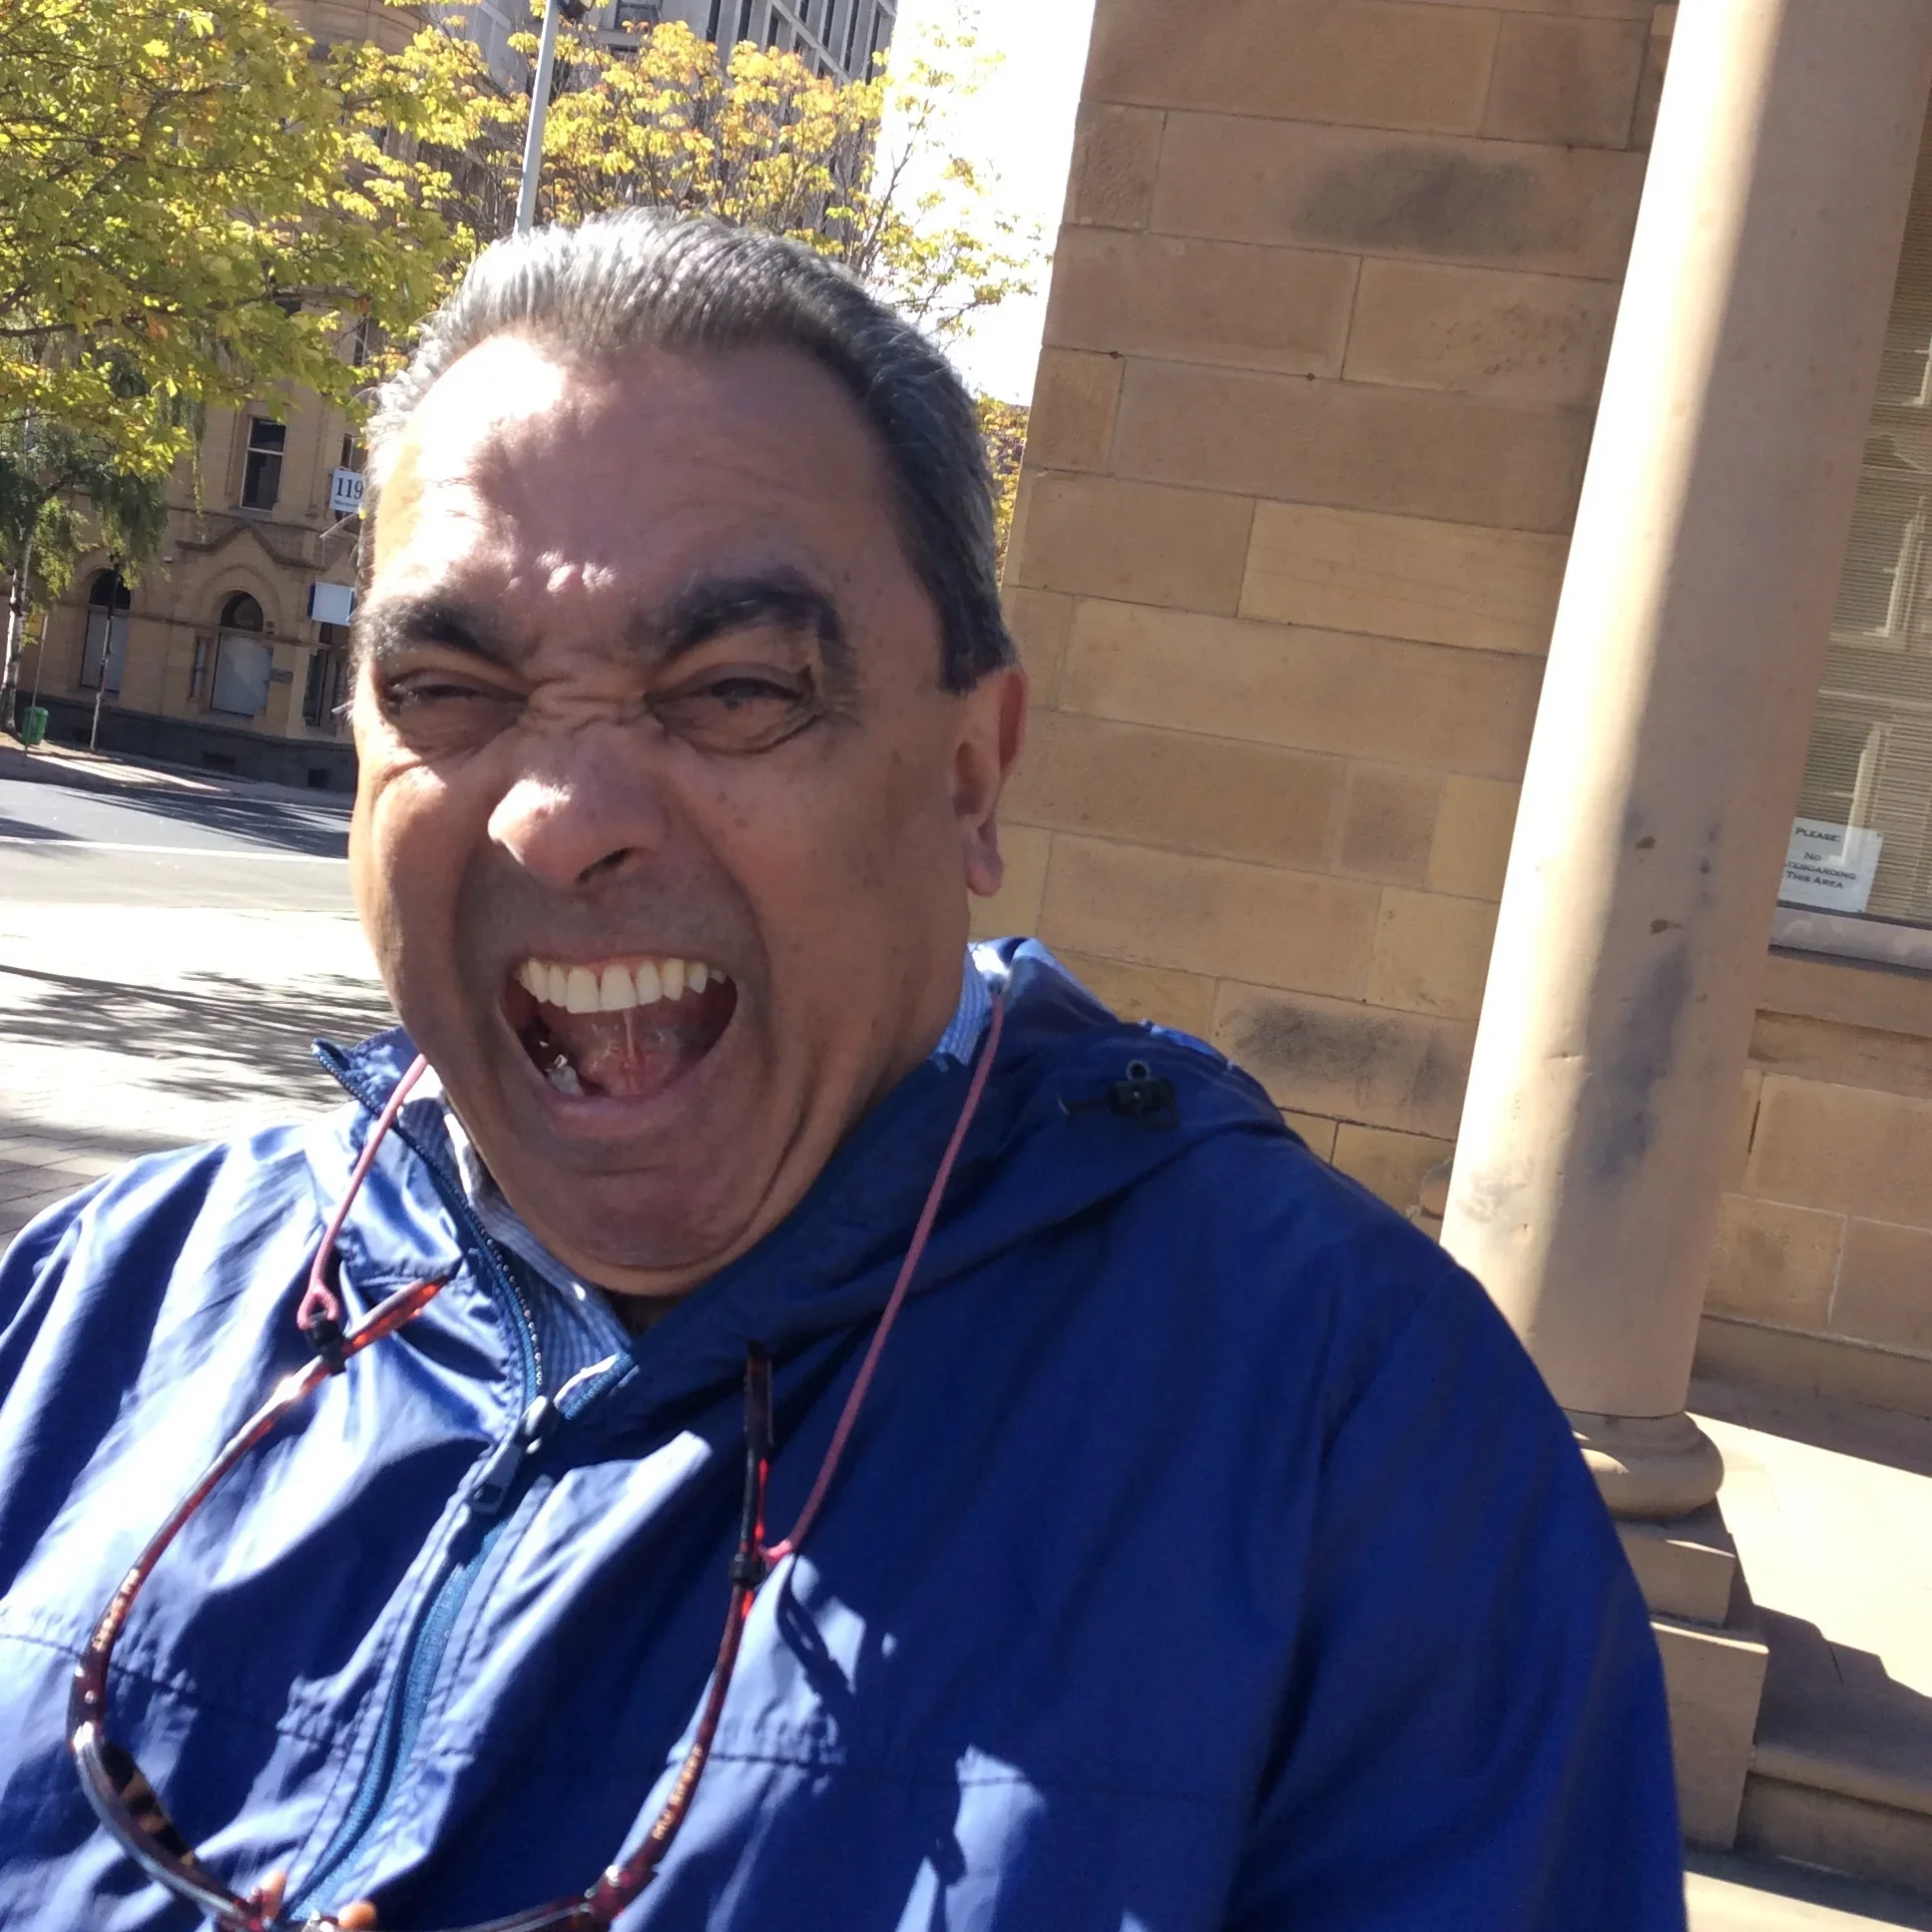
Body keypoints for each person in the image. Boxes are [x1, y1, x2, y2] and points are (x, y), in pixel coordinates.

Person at [0, 212, 1685, 1931]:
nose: (558, 819)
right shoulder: (102, 1310)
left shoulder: (1353, 1441)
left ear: (969, 777)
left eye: (734, 692)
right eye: (447, 689)